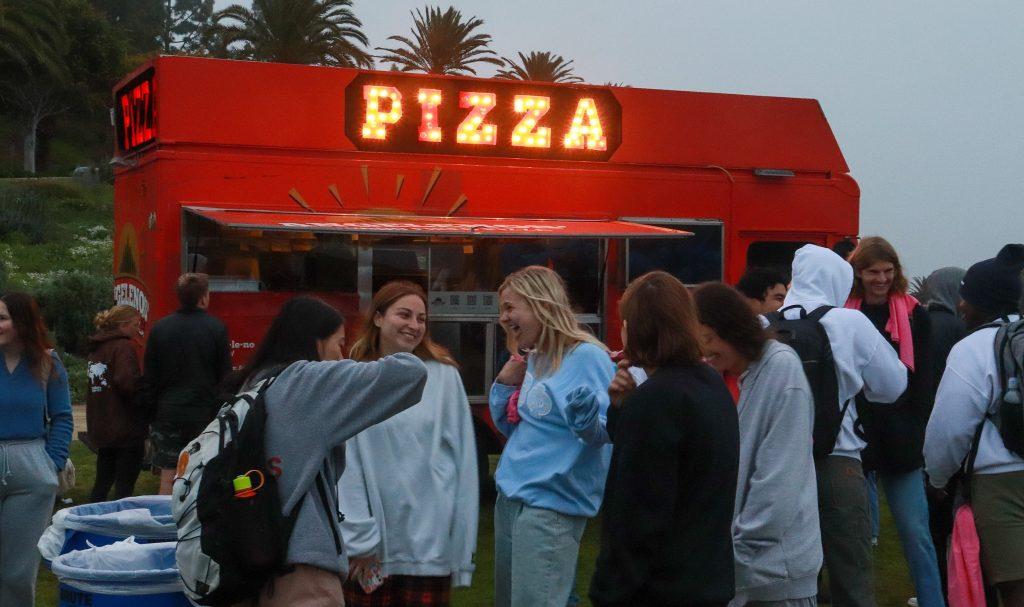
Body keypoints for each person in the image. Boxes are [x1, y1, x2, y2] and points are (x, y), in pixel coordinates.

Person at [217, 296, 428, 606]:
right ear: (316, 342)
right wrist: (379, 348)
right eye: (339, 344)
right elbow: (410, 372)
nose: (341, 354)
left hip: (251, 560)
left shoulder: (256, 382)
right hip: (302, 574)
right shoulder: (305, 382)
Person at [581, 271, 738, 607]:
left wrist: (609, 591)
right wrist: (625, 409)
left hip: (660, 589)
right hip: (706, 577)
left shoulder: (658, 400)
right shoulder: (710, 385)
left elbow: (639, 512)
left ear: (635, 329)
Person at [782, 244, 907, 607]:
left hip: (778, 463)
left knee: (789, 575)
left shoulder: (766, 324)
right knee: (850, 570)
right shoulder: (848, 322)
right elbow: (893, 386)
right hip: (838, 459)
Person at [339, 281, 478, 606]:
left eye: (421, 318)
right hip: (370, 551)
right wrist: (359, 538)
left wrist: (461, 543)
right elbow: (346, 465)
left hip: (428, 548)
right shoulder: (356, 376)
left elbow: (465, 463)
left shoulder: (444, 377)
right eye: (404, 314)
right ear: (378, 318)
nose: (414, 325)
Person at [489, 265, 615, 607]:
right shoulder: (535, 358)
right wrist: (503, 385)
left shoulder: (586, 356)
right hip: (511, 498)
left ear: (540, 303)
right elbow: (520, 430)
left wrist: (586, 418)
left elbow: (607, 434)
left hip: (551, 507)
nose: (503, 318)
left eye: (510, 307)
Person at [694, 282, 821, 607]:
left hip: (775, 576)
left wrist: (736, 557)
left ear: (734, 330)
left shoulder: (781, 369)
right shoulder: (718, 377)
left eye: (709, 339)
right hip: (735, 573)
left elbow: (777, 482)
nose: (705, 350)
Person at [844, 237, 944, 607]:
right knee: (851, 537)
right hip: (857, 434)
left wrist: (916, 433)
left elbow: (924, 383)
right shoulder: (844, 312)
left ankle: (933, 600)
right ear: (858, 273)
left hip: (901, 436)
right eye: (873, 272)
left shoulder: (916, 314)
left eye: (887, 272)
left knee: (916, 533)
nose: (881, 279)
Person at [925, 244, 1024, 607]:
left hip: (999, 483)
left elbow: (949, 429)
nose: (961, 305)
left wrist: (937, 478)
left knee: (1014, 587)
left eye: (967, 297)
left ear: (984, 300)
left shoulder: (972, 348)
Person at [0, 292, 73, 606]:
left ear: (21, 322)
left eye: (2, 318)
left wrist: (51, 463)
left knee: (18, 572)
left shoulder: (46, 362)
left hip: (32, 471)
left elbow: (62, 416)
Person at [142, 272, 231, 494]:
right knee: (201, 469)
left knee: (168, 472)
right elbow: (224, 375)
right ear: (203, 298)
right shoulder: (216, 328)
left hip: (168, 412)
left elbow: (151, 376)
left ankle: (164, 521)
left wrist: (150, 412)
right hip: (204, 414)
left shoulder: (160, 328)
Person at [919, 266, 968, 599]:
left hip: (927, 431)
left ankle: (937, 590)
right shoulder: (962, 328)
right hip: (957, 433)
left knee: (934, 526)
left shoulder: (926, 325)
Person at [86, 304, 146, 502]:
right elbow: (126, 381)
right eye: (135, 325)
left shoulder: (98, 347)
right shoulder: (123, 346)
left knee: (102, 481)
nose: (137, 330)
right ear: (123, 324)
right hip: (125, 426)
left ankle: (93, 517)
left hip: (102, 424)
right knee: (124, 488)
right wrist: (144, 395)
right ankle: (122, 521)